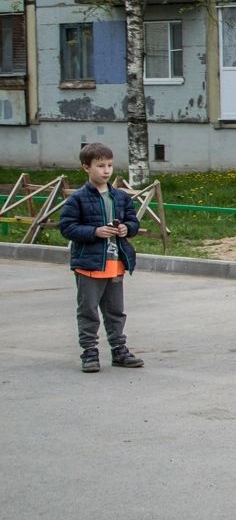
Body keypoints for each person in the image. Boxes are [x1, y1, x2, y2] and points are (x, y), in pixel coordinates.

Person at [58, 143, 143, 372]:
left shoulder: (121, 197)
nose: (106, 171)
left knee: (115, 310)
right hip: (89, 265)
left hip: (115, 264)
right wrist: (94, 232)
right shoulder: (77, 199)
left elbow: (134, 222)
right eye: (100, 166)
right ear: (86, 168)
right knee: (88, 310)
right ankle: (89, 352)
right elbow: (67, 227)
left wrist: (127, 228)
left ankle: (119, 350)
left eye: (109, 165)